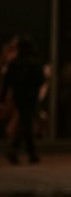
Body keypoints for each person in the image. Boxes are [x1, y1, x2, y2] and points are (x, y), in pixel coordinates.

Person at [5, 36, 45, 165]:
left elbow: (8, 81)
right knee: (25, 123)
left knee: (25, 122)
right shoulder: (34, 62)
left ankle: (27, 153)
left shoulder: (15, 63)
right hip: (30, 97)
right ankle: (22, 152)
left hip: (20, 96)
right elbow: (40, 80)